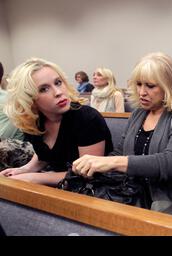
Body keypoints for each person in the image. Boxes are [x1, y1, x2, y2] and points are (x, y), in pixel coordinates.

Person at [71, 52, 172, 214]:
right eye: (139, 84)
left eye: (150, 86)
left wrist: (115, 163)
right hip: (130, 194)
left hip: (165, 202)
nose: (142, 92)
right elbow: (120, 152)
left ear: (168, 86)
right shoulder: (139, 113)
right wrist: (95, 164)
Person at [0, 58, 113, 186]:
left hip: (93, 188)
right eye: (43, 89)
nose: (58, 92)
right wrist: (23, 170)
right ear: (29, 99)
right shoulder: (35, 121)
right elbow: (44, 154)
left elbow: (88, 175)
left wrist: (34, 178)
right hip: (58, 181)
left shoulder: (87, 118)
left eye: (58, 83)